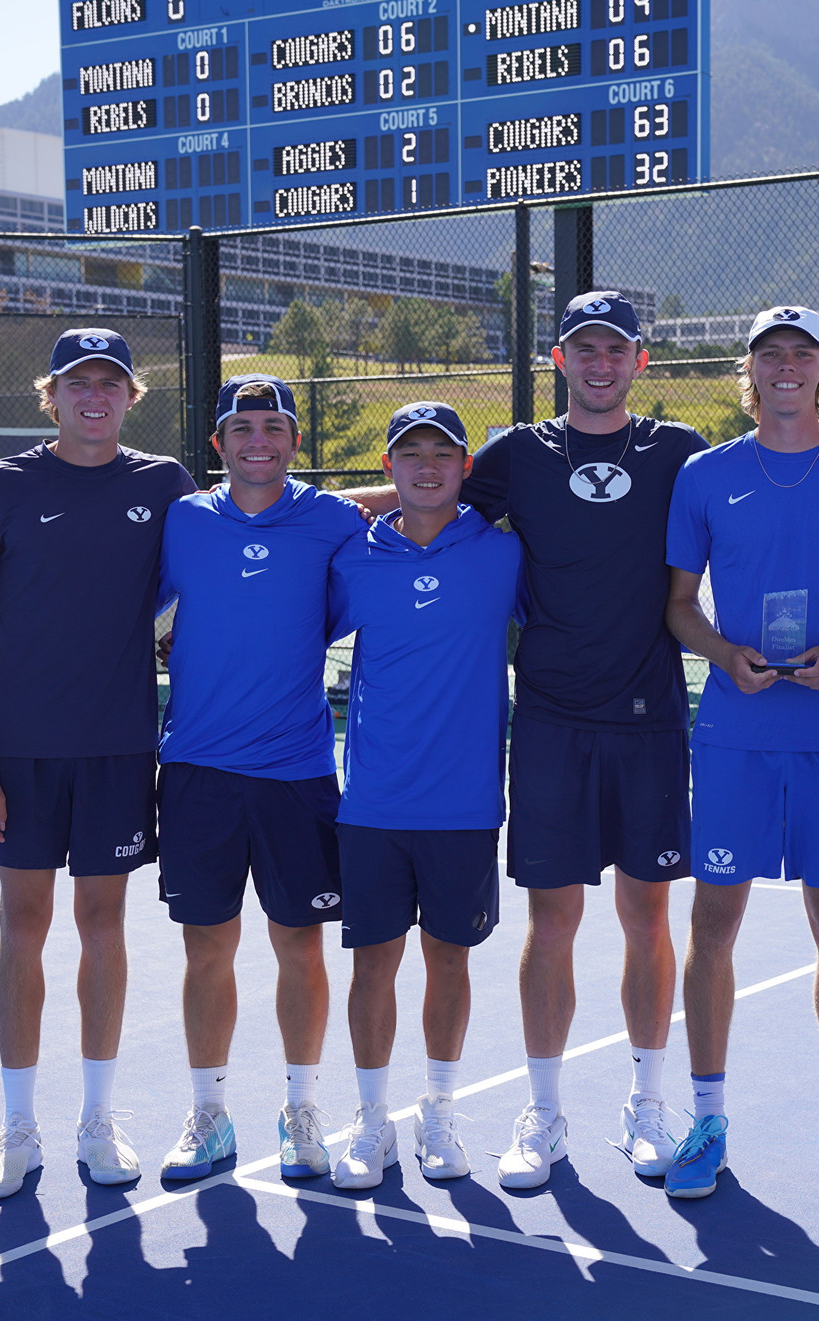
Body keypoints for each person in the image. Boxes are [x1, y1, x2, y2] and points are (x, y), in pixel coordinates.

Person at [336, 291, 819, 1190]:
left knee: (648, 919)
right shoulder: (517, 455)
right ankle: (546, 1114)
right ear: (561, 360)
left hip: (650, 720)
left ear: (642, 362)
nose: (600, 363)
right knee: (552, 922)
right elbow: (419, 485)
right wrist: (275, 495)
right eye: (583, 348)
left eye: (617, 349)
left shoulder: (683, 456)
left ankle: (647, 1105)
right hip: (552, 720)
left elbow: (788, 477)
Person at [0, 328, 195, 1199]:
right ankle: (16, 1128)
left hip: (119, 747)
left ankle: (97, 1118)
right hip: (17, 753)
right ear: (51, 395)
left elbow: (244, 538)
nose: (95, 396)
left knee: (104, 925)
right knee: (23, 927)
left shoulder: (164, 485)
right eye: (77, 382)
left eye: (110, 383)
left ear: (131, 396)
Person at [660, 307, 819, 1200]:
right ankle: (707, 1121)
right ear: (749, 373)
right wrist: (725, 654)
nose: (788, 366)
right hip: (735, 731)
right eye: (772, 354)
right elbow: (681, 604)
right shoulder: (705, 475)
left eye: (804, 353)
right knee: (712, 928)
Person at [151, 375, 366, 1182]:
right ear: (218, 443)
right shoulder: (180, 521)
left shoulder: (337, 524)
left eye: (274, 427)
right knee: (207, 949)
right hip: (198, 771)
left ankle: (302, 1108)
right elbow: (139, 607)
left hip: (297, 772)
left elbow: (347, 603)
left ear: (294, 441)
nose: (258, 442)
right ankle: (209, 1113)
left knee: (299, 946)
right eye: (243, 428)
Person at [322, 402, 524, 1190]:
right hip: (371, 803)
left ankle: (438, 1113)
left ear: (466, 468)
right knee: (373, 964)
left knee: (450, 958)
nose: (429, 466)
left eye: (444, 452)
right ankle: (373, 1123)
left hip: (466, 805)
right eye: (412, 453)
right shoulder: (352, 559)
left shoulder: (505, 556)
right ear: (389, 468)